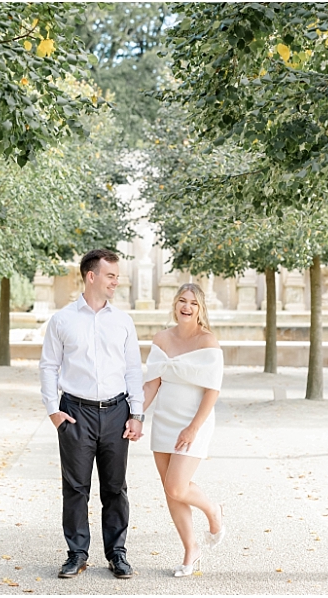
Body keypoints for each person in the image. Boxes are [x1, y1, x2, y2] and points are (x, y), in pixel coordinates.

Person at [39, 248, 145, 580]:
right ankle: (77, 554)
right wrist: (54, 412)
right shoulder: (62, 320)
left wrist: (137, 413)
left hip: (116, 412)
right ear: (91, 276)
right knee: (75, 489)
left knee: (115, 487)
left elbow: (133, 370)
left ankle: (117, 554)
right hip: (75, 413)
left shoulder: (122, 321)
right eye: (111, 275)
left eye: (117, 276)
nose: (116, 281)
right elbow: (48, 366)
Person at [142, 283, 225, 577]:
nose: (186, 307)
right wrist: (136, 416)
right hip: (164, 420)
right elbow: (152, 383)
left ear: (201, 309)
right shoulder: (162, 338)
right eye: (181, 301)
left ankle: (213, 510)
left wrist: (193, 428)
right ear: (175, 305)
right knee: (170, 491)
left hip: (194, 421)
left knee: (177, 485)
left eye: (192, 302)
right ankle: (191, 548)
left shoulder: (208, 342)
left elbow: (212, 391)